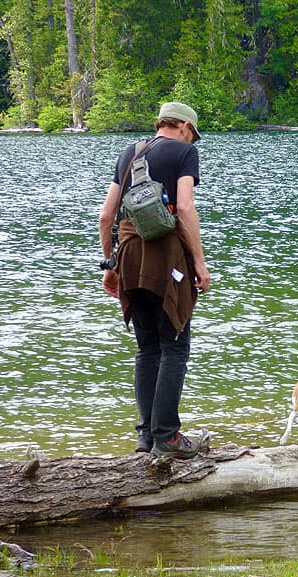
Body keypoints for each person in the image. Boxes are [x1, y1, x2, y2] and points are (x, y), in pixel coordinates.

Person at [98, 102, 211, 459]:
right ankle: (168, 436)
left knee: (147, 349)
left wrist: (109, 265)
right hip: (166, 259)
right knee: (174, 345)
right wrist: (200, 263)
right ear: (182, 127)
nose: (192, 141)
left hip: (129, 255)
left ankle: (146, 436)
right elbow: (186, 208)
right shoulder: (184, 153)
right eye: (192, 134)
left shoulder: (129, 154)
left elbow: (105, 216)